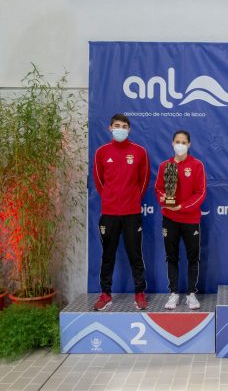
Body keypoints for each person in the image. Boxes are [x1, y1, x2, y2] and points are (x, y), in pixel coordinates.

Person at [93, 114, 150, 311]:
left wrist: (132, 200)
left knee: (135, 254)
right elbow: (99, 181)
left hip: (131, 213)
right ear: (110, 128)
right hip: (109, 213)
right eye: (117, 125)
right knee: (108, 255)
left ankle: (139, 293)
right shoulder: (101, 152)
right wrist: (110, 199)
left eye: (124, 126)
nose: (121, 129)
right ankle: (105, 294)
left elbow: (144, 180)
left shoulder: (139, 152)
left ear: (129, 129)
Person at [154, 130, 207, 310]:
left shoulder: (197, 165)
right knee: (171, 257)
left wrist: (182, 207)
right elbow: (158, 189)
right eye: (177, 141)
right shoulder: (165, 166)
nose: (180, 145)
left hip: (190, 219)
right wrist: (164, 200)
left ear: (189, 144)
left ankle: (191, 293)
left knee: (193, 257)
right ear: (172, 143)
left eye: (184, 142)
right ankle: (174, 293)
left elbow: (200, 193)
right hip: (170, 219)